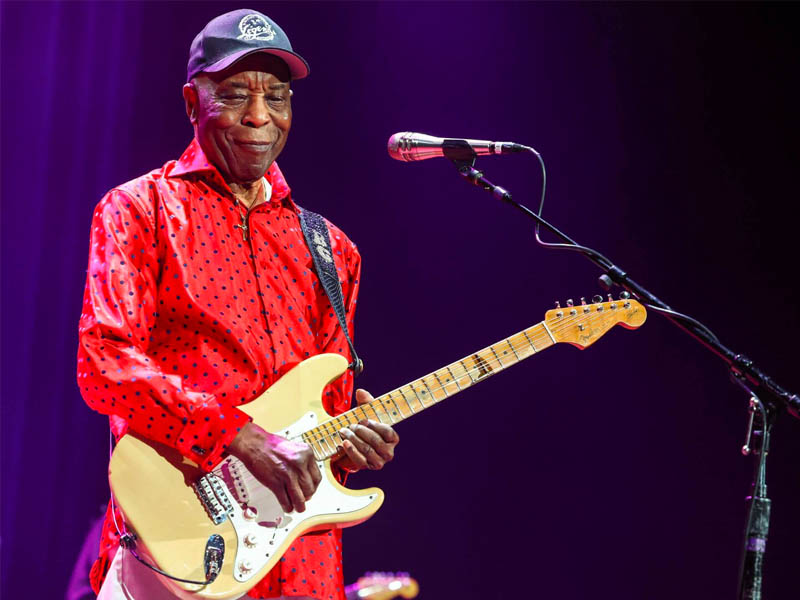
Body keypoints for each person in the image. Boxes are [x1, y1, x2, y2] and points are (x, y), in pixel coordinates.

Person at [77, 9, 399, 600]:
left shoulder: (332, 250)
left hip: (301, 562)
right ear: (191, 102)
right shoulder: (139, 210)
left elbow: (322, 418)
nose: (259, 116)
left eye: (277, 96)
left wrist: (350, 449)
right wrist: (238, 433)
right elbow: (105, 365)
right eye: (233, 95)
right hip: (175, 550)